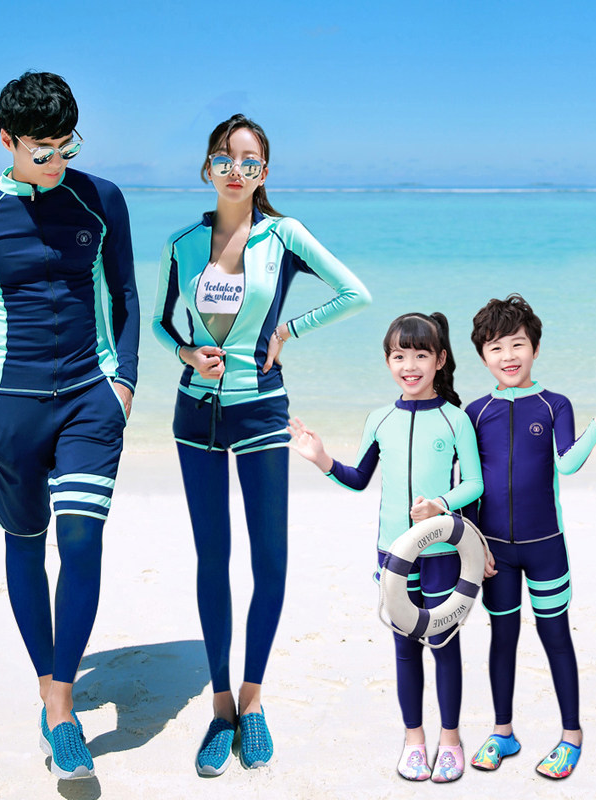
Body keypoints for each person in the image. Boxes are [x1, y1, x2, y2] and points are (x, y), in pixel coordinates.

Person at [151, 113, 370, 775]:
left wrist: (288, 331)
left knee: (270, 560)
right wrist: (188, 353)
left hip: (263, 414)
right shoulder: (183, 243)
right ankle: (220, 707)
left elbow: (354, 293)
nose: (236, 169)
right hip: (196, 418)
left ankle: (253, 700)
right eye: (224, 158)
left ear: (264, 172)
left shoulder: (285, 235)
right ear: (207, 167)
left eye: (249, 160)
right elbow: (161, 324)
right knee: (211, 559)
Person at [0, 71, 140, 780]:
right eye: (41, 150)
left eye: (66, 146)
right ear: (7, 140)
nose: (56, 161)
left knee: (81, 540)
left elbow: (124, 293)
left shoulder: (100, 198)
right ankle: (49, 686)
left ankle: (60, 707)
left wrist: (124, 384)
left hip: (90, 399)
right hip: (14, 409)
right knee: (25, 545)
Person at [289, 312, 485, 783]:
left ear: (440, 359)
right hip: (394, 553)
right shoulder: (380, 419)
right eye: (399, 356)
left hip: (443, 554)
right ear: (387, 361)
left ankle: (450, 741)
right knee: (405, 648)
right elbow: (358, 478)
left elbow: (474, 484)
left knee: (444, 645)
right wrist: (321, 458)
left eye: (420, 355)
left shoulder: (455, 419)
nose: (409, 366)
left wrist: (440, 504)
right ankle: (414, 741)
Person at [465, 293, 596, 780]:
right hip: (494, 552)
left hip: (546, 546)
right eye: (495, 347)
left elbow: (566, 463)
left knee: (555, 637)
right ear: (482, 356)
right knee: (502, 638)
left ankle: (571, 736)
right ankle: (503, 733)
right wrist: (472, 543)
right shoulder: (474, 412)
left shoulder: (555, 404)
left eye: (517, 344)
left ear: (536, 348)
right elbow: (470, 485)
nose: (508, 356)